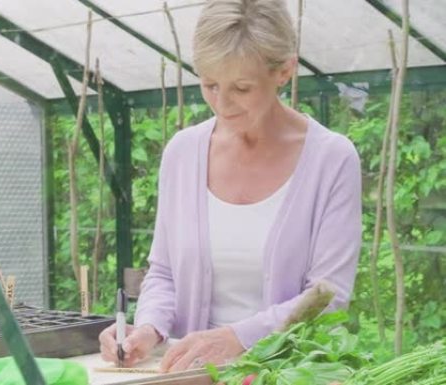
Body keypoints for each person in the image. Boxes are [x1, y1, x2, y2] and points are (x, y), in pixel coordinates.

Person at [99, 0, 362, 373]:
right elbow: (164, 273)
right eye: (209, 84)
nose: (222, 104)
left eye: (241, 87)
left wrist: (238, 338)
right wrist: (148, 328)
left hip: (286, 374)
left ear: (284, 71)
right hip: (188, 374)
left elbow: (328, 296)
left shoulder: (331, 160)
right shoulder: (182, 152)